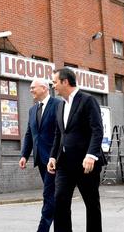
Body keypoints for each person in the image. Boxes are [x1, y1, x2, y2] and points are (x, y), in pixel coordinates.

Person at [47, 68, 105, 232]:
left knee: (91, 203)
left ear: (65, 82)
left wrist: (91, 155)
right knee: (60, 200)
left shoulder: (87, 100)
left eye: (55, 82)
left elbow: (97, 130)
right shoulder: (60, 106)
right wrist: (53, 157)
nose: (53, 86)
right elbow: (59, 134)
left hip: (86, 164)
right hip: (64, 164)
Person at [19, 78, 62, 232]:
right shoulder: (33, 110)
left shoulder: (58, 105)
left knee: (49, 195)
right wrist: (24, 155)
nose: (30, 90)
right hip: (40, 159)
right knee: (54, 197)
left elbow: (61, 132)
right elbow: (30, 134)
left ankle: (42, 229)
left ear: (44, 88)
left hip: (55, 159)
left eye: (33, 88)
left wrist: (55, 156)